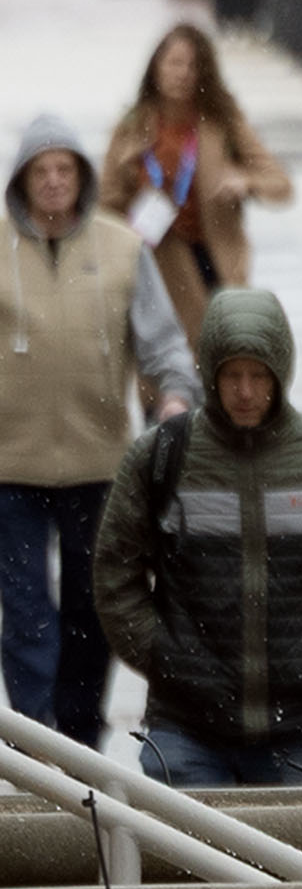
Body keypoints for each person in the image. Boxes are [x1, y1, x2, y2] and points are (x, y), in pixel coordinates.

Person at [94, 286, 302, 787]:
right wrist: (164, 655)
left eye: (259, 375)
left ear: (281, 375)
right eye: (232, 375)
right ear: (210, 374)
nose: (246, 391)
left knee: (293, 868)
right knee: (194, 864)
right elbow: (115, 572)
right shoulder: (163, 455)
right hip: (186, 728)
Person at [0, 115, 199, 749]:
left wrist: (173, 398)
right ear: (23, 181)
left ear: (81, 179)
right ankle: (38, 742)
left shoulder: (121, 248)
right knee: (26, 615)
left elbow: (162, 340)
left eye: (65, 170)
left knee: (93, 613)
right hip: (11, 467)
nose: (54, 182)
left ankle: (81, 737)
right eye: (42, 172)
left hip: (100, 464)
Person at [99, 23, 290, 349]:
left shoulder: (222, 121)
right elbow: (105, 202)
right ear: (156, 68)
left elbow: (279, 183)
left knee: (217, 357)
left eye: (192, 65)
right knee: (167, 365)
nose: (183, 74)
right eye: (174, 63)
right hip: (156, 259)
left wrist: (245, 181)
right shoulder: (131, 127)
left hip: (215, 261)